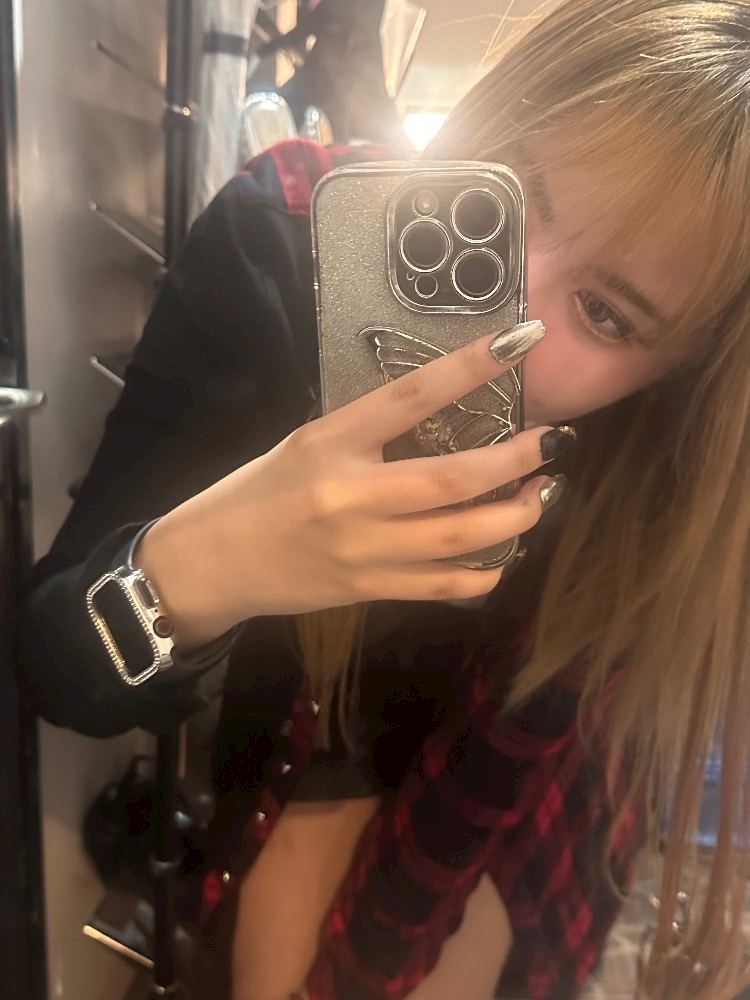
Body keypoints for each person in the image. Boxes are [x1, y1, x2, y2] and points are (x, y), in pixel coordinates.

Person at [17, 0, 750, 998]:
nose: (505, 308)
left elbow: (561, 784)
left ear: (674, 378)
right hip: (293, 792)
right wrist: (206, 567)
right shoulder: (282, 244)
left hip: (513, 833)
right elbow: (57, 668)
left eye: (603, 312)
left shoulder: (665, 471)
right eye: (511, 190)